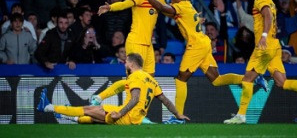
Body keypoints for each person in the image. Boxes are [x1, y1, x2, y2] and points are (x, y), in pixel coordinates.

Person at [137, 0, 259, 124]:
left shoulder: (181, 6)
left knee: (181, 79)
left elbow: (161, 8)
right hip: (203, 43)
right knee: (217, 80)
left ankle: (178, 117)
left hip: (195, 45)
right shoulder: (188, 4)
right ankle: (251, 78)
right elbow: (165, 10)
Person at [224, 0, 297, 124]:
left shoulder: (260, 0)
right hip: (275, 45)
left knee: (247, 78)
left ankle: (241, 115)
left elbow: (267, 16)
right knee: (282, 83)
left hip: (265, 46)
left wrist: (264, 35)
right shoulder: (270, 0)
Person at [37, 53, 190, 125]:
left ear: (131, 64)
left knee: (86, 109)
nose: (125, 65)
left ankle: (48, 107)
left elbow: (135, 99)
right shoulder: (151, 80)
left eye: (126, 63)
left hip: (127, 117)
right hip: (135, 118)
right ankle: (65, 115)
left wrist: (120, 113)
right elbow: (164, 100)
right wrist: (178, 113)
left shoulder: (135, 77)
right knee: (93, 118)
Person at [92, 0, 166, 109]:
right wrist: (110, 7)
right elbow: (125, 3)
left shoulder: (160, 0)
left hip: (148, 44)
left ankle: (140, 112)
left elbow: (171, 11)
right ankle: (105, 99)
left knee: (149, 80)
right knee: (133, 80)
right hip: (135, 42)